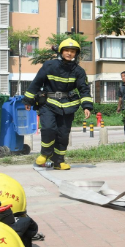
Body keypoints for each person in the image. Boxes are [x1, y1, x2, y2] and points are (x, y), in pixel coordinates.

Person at [23, 38, 92, 170]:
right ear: (61, 51)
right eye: (67, 50)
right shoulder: (49, 65)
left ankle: (58, 162)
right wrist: (28, 100)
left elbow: (84, 89)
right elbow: (36, 83)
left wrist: (87, 106)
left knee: (63, 134)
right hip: (48, 103)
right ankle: (45, 153)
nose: (69, 53)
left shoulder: (79, 71)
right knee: (48, 128)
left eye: (72, 51)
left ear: (76, 54)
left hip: (67, 105)